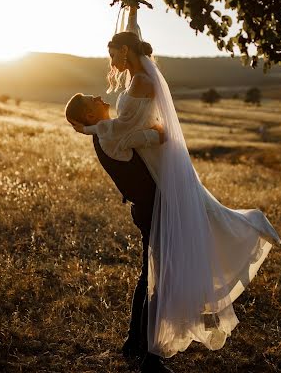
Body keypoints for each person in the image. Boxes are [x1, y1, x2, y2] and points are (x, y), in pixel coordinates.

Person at [72, 7, 281, 372]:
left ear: (125, 52)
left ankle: (135, 344)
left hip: (157, 187)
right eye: (93, 105)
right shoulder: (123, 106)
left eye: (113, 53)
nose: (110, 62)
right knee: (161, 274)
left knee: (151, 272)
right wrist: (148, 133)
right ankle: (150, 356)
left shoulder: (138, 83)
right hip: (154, 198)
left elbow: (127, 110)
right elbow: (126, 130)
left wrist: (132, 10)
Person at [65, 92, 171, 372]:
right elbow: (159, 137)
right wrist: (162, 127)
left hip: (146, 209)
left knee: (147, 276)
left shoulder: (105, 132)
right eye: (92, 99)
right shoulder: (108, 135)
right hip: (151, 212)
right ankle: (151, 356)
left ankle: (133, 342)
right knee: (155, 281)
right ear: (90, 115)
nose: (99, 96)